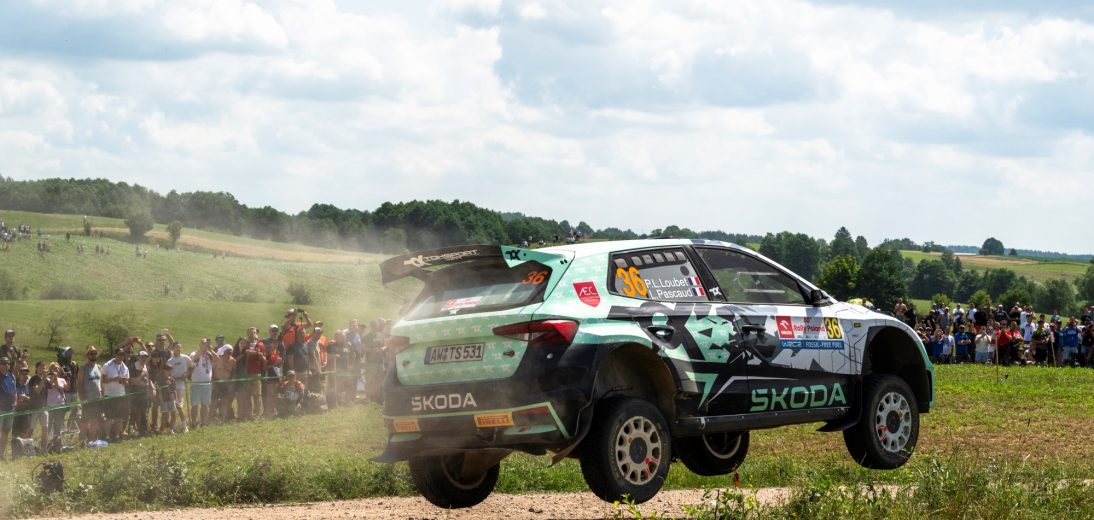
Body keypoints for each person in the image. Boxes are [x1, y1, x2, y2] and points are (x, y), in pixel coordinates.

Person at [101, 347, 130, 441]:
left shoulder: (125, 367)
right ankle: (107, 436)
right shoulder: (107, 365)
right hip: (109, 395)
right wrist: (114, 379)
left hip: (121, 395)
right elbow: (103, 380)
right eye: (119, 354)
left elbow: (127, 382)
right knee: (109, 418)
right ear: (115, 355)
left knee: (119, 418)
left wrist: (124, 381)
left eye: (123, 355)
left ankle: (117, 436)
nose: (121, 357)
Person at [75, 347, 104, 442]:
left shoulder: (99, 367)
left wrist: (103, 395)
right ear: (87, 356)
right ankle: (82, 442)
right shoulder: (83, 368)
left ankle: (92, 440)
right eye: (91, 354)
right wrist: (82, 399)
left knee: (95, 421)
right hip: (87, 399)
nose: (93, 355)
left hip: (98, 399)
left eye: (95, 353)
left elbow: (101, 383)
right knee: (85, 422)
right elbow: (79, 385)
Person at [238, 327, 266, 420]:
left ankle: (257, 414)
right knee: (248, 395)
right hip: (246, 373)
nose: (251, 334)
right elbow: (244, 353)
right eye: (250, 332)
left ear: (256, 334)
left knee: (257, 395)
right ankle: (249, 414)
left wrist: (259, 354)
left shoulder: (260, 344)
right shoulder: (245, 345)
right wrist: (256, 353)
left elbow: (263, 356)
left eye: (253, 332)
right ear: (247, 334)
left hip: (256, 373)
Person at [166, 342, 194, 432]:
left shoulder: (185, 358)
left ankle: (184, 426)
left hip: (181, 385)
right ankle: (171, 427)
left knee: (179, 406)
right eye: (176, 347)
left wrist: (187, 374)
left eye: (180, 347)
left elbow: (192, 366)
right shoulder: (170, 361)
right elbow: (167, 372)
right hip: (172, 386)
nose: (178, 349)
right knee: (173, 406)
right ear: (173, 348)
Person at [189, 339, 215, 429]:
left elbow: (218, 359)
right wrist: (202, 350)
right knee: (195, 405)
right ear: (200, 344)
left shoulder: (210, 354)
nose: (205, 344)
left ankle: (204, 422)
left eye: (206, 343)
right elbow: (193, 359)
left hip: (207, 383)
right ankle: (193, 423)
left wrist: (211, 350)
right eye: (203, 343)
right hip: (196, 383)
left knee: (205, 404)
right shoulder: (194, 353)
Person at [127, 350, 153, 437]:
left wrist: (151, 388)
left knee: (144, 414)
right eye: (142, 357)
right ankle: (131, 432)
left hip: (145, 394)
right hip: (135, 394)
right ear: (138, 357)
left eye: (145, 357)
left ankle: (143, 432)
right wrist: (142, 374)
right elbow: (133, 382)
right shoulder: (132, 367)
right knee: (134, 413)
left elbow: (148, 380)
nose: (144, 359)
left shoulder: (146, 366)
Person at [43, 362, 68, 447]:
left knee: (58, 424)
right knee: (49, 424)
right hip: (50, 405)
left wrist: (68, 377)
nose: (56, 369)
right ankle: (46, 444)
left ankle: (56, 443)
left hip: (60, 404)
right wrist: (54, 377)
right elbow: (54, 386)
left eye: (58, 368)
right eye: (54, 368)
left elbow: (67, 388)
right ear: (50, 369)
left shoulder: (62, 379)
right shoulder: (47, 379)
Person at [261, 327, 283, 418]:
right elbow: (264, 367)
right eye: (273, 344)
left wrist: (279, 363)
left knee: (275, 393)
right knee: (269, 394)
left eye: (276, 344)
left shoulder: (277, 353)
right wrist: (274, 364)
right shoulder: (266, 355)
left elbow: (279, 365)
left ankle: (273, 410)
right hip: (268, 375)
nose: (275, 345)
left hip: (276, 375)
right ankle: (267, 411)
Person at [212, 343, 236, 423]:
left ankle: (223, 418)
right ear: (224, 351)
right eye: (228, 352)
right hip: (216, 383)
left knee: (225, 401)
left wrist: (231, 383)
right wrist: (213, 382)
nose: (229, 354)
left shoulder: (233, 361)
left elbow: (233, 373)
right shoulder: (218, 359)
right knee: (214, 401)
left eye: (230, 352)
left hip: (226, 384)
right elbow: (212, 371)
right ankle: (211, 417)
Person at [27, 361, 48, 449]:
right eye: (40, 367)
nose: (42, 369)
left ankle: (44, 449)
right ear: (36, 368)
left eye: (44, 367)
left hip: (43, 407)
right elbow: (38, 391)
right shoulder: (33, 379)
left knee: (45, 429)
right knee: (31, 429)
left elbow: (53, 386)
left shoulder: (45, 378)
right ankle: (25, 447)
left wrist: (55, 376)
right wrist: (44, 378)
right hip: (34, 408)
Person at [0, 357, 15, 459]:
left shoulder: (11, 376)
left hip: (10, 409)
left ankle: (1, 454)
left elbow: (14, 391)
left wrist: (15, 402)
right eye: (4, 364)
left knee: (6, 432)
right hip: (0, 409)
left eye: (8, 364)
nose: (6, 365)